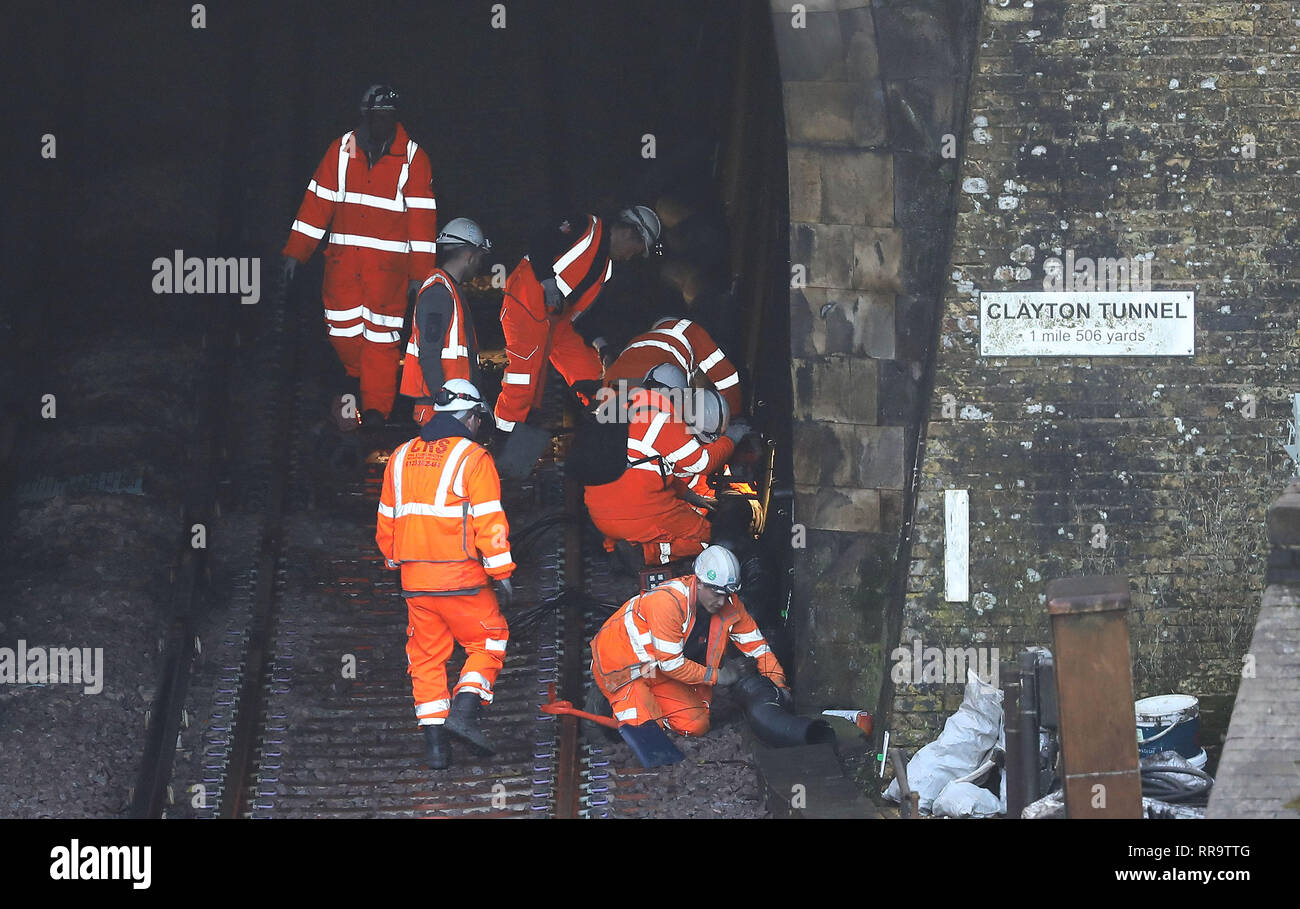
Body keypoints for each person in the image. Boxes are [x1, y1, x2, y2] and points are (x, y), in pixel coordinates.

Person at [282, 84, 438, 431]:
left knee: (382, 342)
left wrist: (420, 275)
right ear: (365, 114)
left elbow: (422, 221)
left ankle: (376, 414)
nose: (383, 121)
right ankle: (357, 383)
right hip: (344, 267)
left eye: (389, 114)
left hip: (388, 273)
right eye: (377, 114)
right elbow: (317, 203)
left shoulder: (413, 157)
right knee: (342, 330)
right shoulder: (341, 150)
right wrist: (296, 251)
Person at [375, 379, 513, 769]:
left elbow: (387, 520)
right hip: (462, 579)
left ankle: (436, 751)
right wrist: (501, 570)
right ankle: (465, 711)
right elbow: (490, 520)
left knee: (426, 658)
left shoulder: (400, 456)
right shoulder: (474, 458)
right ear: (470, 417)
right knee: (489, 641)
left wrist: (394, 562)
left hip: (415, 582)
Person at [492, 206, 661, 439]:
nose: (631, 257)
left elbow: (586, 316)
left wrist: (602, 348)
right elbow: (540, 240)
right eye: (636, 250)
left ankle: (609, 435)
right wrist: (547, 282)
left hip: (558, 324)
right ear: (629, 233)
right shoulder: (583, 225)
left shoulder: (606, 269)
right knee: (523, 380)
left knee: (596, 378)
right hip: (526, 306)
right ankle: (504, 440)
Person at [589, 545, 789, 736]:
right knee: (647, 734)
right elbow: (672, 665)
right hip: (622, 668)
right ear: (699, 582)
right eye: (716, 593)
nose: (721, 601)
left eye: (727, 594)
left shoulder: (729, 605)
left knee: (695, 725)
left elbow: (758, 648)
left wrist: (779, 685)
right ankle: (607, 700)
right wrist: (719, 676)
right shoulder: (668, 602)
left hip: (655, 670)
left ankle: (648, 706)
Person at [584, 371, 748, 566]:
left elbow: (654, 471)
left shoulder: (623, 407)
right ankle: (646, 554)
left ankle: (616, 545)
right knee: (713, 538)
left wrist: (691, 497)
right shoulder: (662, 421)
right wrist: (732, 438)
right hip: (639, 509)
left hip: (600, 512)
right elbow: (703, 463)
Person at [400, 218, 491, 425]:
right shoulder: (439, 293)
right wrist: (444, 402)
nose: (479, 264)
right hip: (442, 410)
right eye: (479, 257)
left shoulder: (448, 290)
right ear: (469, 255)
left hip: (452, 408)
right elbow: (429, 354)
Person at [602, 316, 742, 414]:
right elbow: (728, 380)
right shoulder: (688, 331)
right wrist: (734, 418)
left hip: (612, 406)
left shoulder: (635, 345)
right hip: (652, 406)